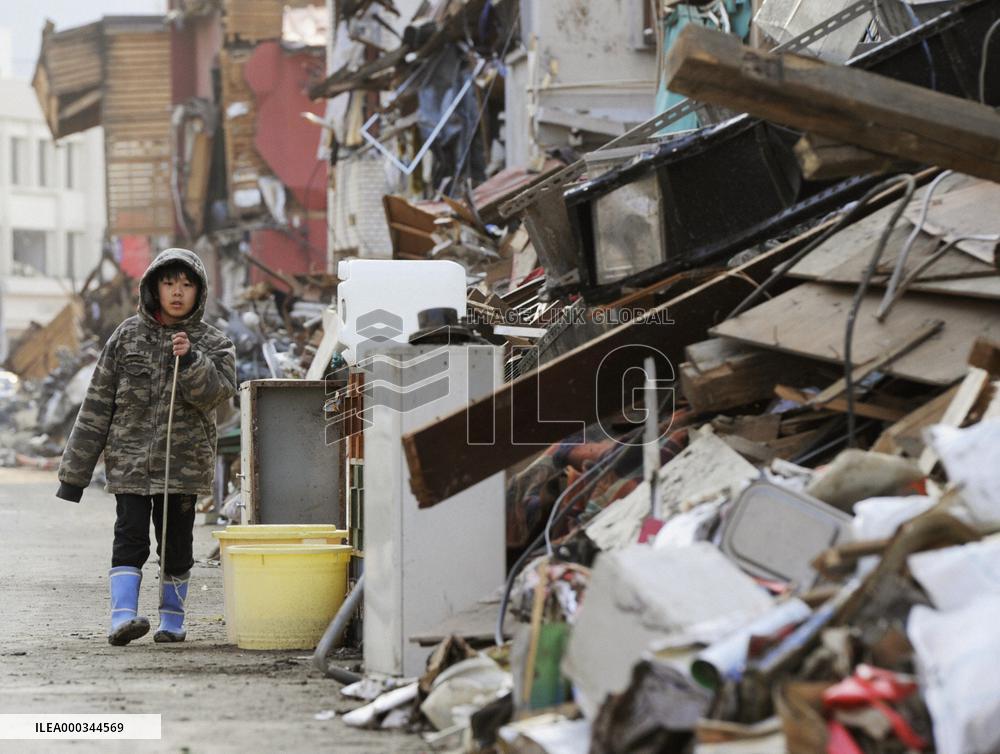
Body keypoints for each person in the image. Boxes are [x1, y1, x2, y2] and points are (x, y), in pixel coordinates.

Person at [56, 248, 237, 646]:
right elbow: (97, 406)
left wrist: (191, 361)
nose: (177, 292)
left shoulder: (215, 343)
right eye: (169, 283)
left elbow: (218, 396)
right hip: (130, 465)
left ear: (199, 291)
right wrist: (74, 476)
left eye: (186, 285)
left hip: (183, 468)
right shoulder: (126, 337)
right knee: (130, 537)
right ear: (154, 287)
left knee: (176, 545)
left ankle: (172, 618)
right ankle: (122, 616)